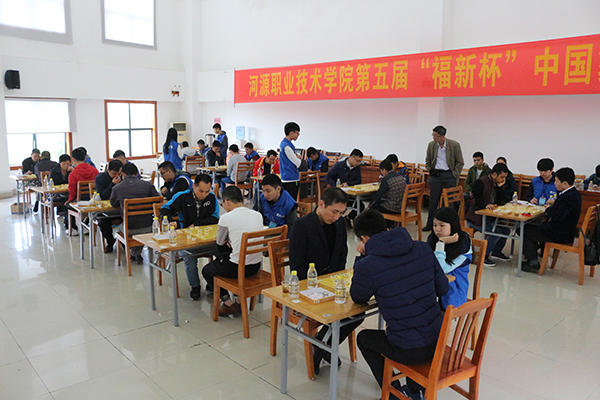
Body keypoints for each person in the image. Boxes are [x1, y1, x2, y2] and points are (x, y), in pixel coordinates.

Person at [351, 209, 449, 398]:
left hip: (409, 350)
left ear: (364, 238)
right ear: (387, 228)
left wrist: (363, 257)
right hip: (438, 340)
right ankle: (415, 390)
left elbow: (358, 297)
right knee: (411, 330)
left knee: (364, 338)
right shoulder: (422, 248)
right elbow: (443, 288)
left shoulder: (368, 265)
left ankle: (393, 392)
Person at [290, 187, 360, 374]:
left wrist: (338, 283)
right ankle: (324, 346)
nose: (337, 217)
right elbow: (297, 265)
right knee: (337, 313)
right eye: (334, 212)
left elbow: (342, 255)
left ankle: (322, 344)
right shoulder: (302, 225)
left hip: (332, 284)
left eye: (341, 213)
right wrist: (315, 287)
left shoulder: (340, 223)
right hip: (309, 286)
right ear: (321, 204)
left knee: (358, 311)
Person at [202, 186, 264, 315]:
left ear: (227, 201)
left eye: (223, 203)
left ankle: (228, 303)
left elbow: (219, 243)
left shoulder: (226, 218)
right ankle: (238, 301)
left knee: (207, 270)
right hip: (255, 266)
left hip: (236, 268)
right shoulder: (257, 215)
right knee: (231, 255)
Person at [160, 174, 220, 300]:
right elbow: (164, 209)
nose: (204, 195)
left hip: (207, 238)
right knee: (189, 257)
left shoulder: (212, 197)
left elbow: (215, 218)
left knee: (223, 252)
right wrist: (170, 220)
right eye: (201, 191)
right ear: (194, 186)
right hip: (187, 238)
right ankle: (195, 286)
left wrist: (196, 224)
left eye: (207, 191)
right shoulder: (182, 197)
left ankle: (212, 282)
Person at [522, 167, 582, 273]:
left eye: (556, 181)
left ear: (565, 183)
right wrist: (554, 204)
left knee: (524, 230)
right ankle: (533, 252)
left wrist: (548, 209)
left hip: (560, 233)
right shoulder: (573, 193)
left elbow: (559, 216)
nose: (555, 184)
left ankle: (533, 263)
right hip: (564, 230)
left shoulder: (568, 197)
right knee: (530, 227)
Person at [110, 162, 160, 264]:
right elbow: (158, 201)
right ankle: (136, 253)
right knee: (140, 224)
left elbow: (113, 204)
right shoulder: (148, 185)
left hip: (129, 229)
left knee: (121, 228)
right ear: (137, 174)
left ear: (123, 175)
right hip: (149, 227)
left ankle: (135, 253)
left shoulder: (117, 188)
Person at [466, 163, 511, 266]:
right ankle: (483, 256)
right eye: (502, 177)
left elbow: (502, 200)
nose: (503, 180)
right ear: (494, 174)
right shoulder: (480, 182)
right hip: (476, 218)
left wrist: (500, 188)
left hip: (489, 218)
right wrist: (486, 205)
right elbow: (475, 199)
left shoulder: (496, 184)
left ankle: (496, 252)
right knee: (495, 232)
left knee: (506, 230)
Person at [427, 207, 472, 309]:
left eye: (442, 225)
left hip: (454, 289)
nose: (437, 229)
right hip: (435, 284)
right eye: (434, 225)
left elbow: (443, 269)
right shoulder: (432, 239)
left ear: (453, 224)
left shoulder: (463, 244)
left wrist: (441, 243)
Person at [424, 125, 464, 231]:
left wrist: (454, 174)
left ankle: (449, 225)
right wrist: (430, 170)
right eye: (433, 135)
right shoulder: (431, 145)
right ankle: (430, 223)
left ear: (442, 136)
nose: (433, 138)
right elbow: (428, 160)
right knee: (433, 200)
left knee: (450, 201)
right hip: (436, 175)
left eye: (436, 136)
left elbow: (460, 162)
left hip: (449, 175)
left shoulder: (454, 145)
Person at [95, 160, 124, 253]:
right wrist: (113, 184)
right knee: (102, 220)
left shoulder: (124, 177)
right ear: (108, 170)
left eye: (119, 173)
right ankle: (110, 241)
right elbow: (103, 196)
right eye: (114, 173)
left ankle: (124, 242)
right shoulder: (100, 178)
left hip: (121, 208)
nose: (117, 176)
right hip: (107, 210)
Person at [279, 122, 302, 199]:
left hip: (287, 176)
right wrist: (299, 159)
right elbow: (298, 163)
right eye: (297, 133)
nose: (298, 135)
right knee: (291, 201)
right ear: (291, 133)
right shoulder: (286, 146)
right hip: (290, 178)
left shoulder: (285, 144)